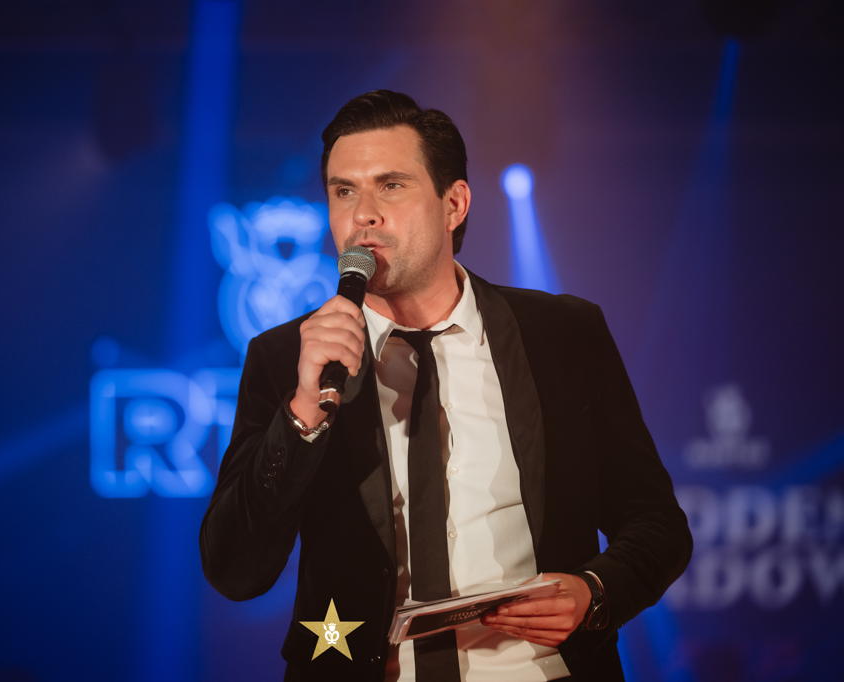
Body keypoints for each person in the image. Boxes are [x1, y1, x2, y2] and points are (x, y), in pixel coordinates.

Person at [200, 90, 691, 682]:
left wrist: (594, 591)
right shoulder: (286, 357)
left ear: (453, 203)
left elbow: (657, 524)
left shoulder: (563, 334)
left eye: (391, 186)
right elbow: (235, 570)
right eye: (343, 191)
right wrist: (303, 410)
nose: (363, 215)